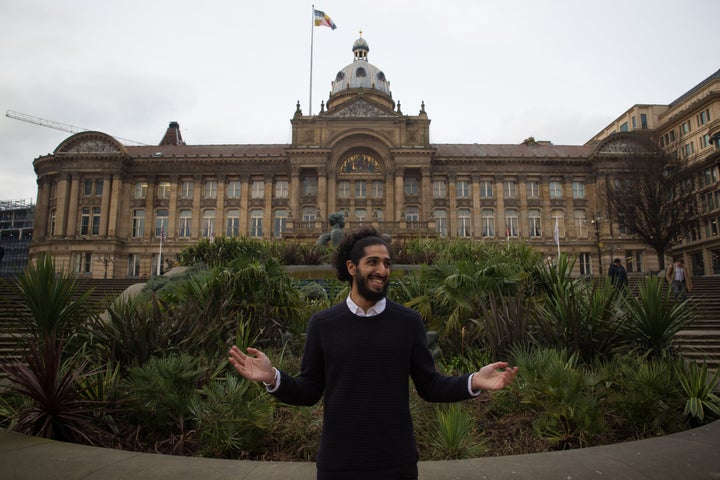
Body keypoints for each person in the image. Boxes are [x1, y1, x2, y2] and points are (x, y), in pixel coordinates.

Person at [229, 227, 518, 480]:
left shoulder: (408, 321)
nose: (382, 270)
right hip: (338, 462)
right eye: (373, 262)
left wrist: (474, 382)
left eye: (387, 263)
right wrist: (273, 378)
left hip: (396, 461)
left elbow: (430, 385)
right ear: (352, 267)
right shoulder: (323, 324)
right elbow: (309, 390)